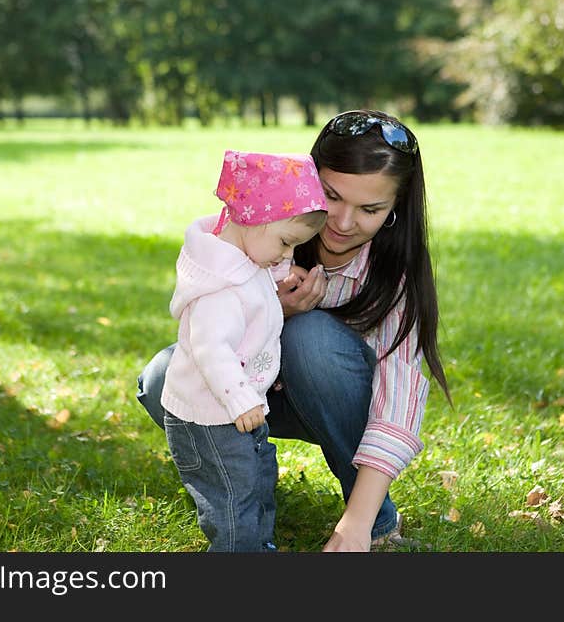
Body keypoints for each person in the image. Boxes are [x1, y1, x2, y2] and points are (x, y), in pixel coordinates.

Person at [138, 110, 451, 552]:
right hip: (259, 396)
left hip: (340, 400)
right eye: (331, 196)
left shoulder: (395, 276)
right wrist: (273, 311)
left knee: (311, 341)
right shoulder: (263, 230)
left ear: (395, 209)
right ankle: (241, 479)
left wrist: (357, 525)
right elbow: (206, 324)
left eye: (370, 209)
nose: (342, 222)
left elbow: (397, 405)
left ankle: (373, 518)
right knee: (162, 377)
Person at [158, 149, 328, 552]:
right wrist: (238, 398)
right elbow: (210, 347)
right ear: (252, 219)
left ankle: (259, 546)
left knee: (257, 478)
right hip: (214, 414)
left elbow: (261, 268)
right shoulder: (221, 289)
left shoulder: (245, 257)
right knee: (233, 497)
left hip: (240, 409)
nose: (288, 254)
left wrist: (283, 271)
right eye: (287, 243)